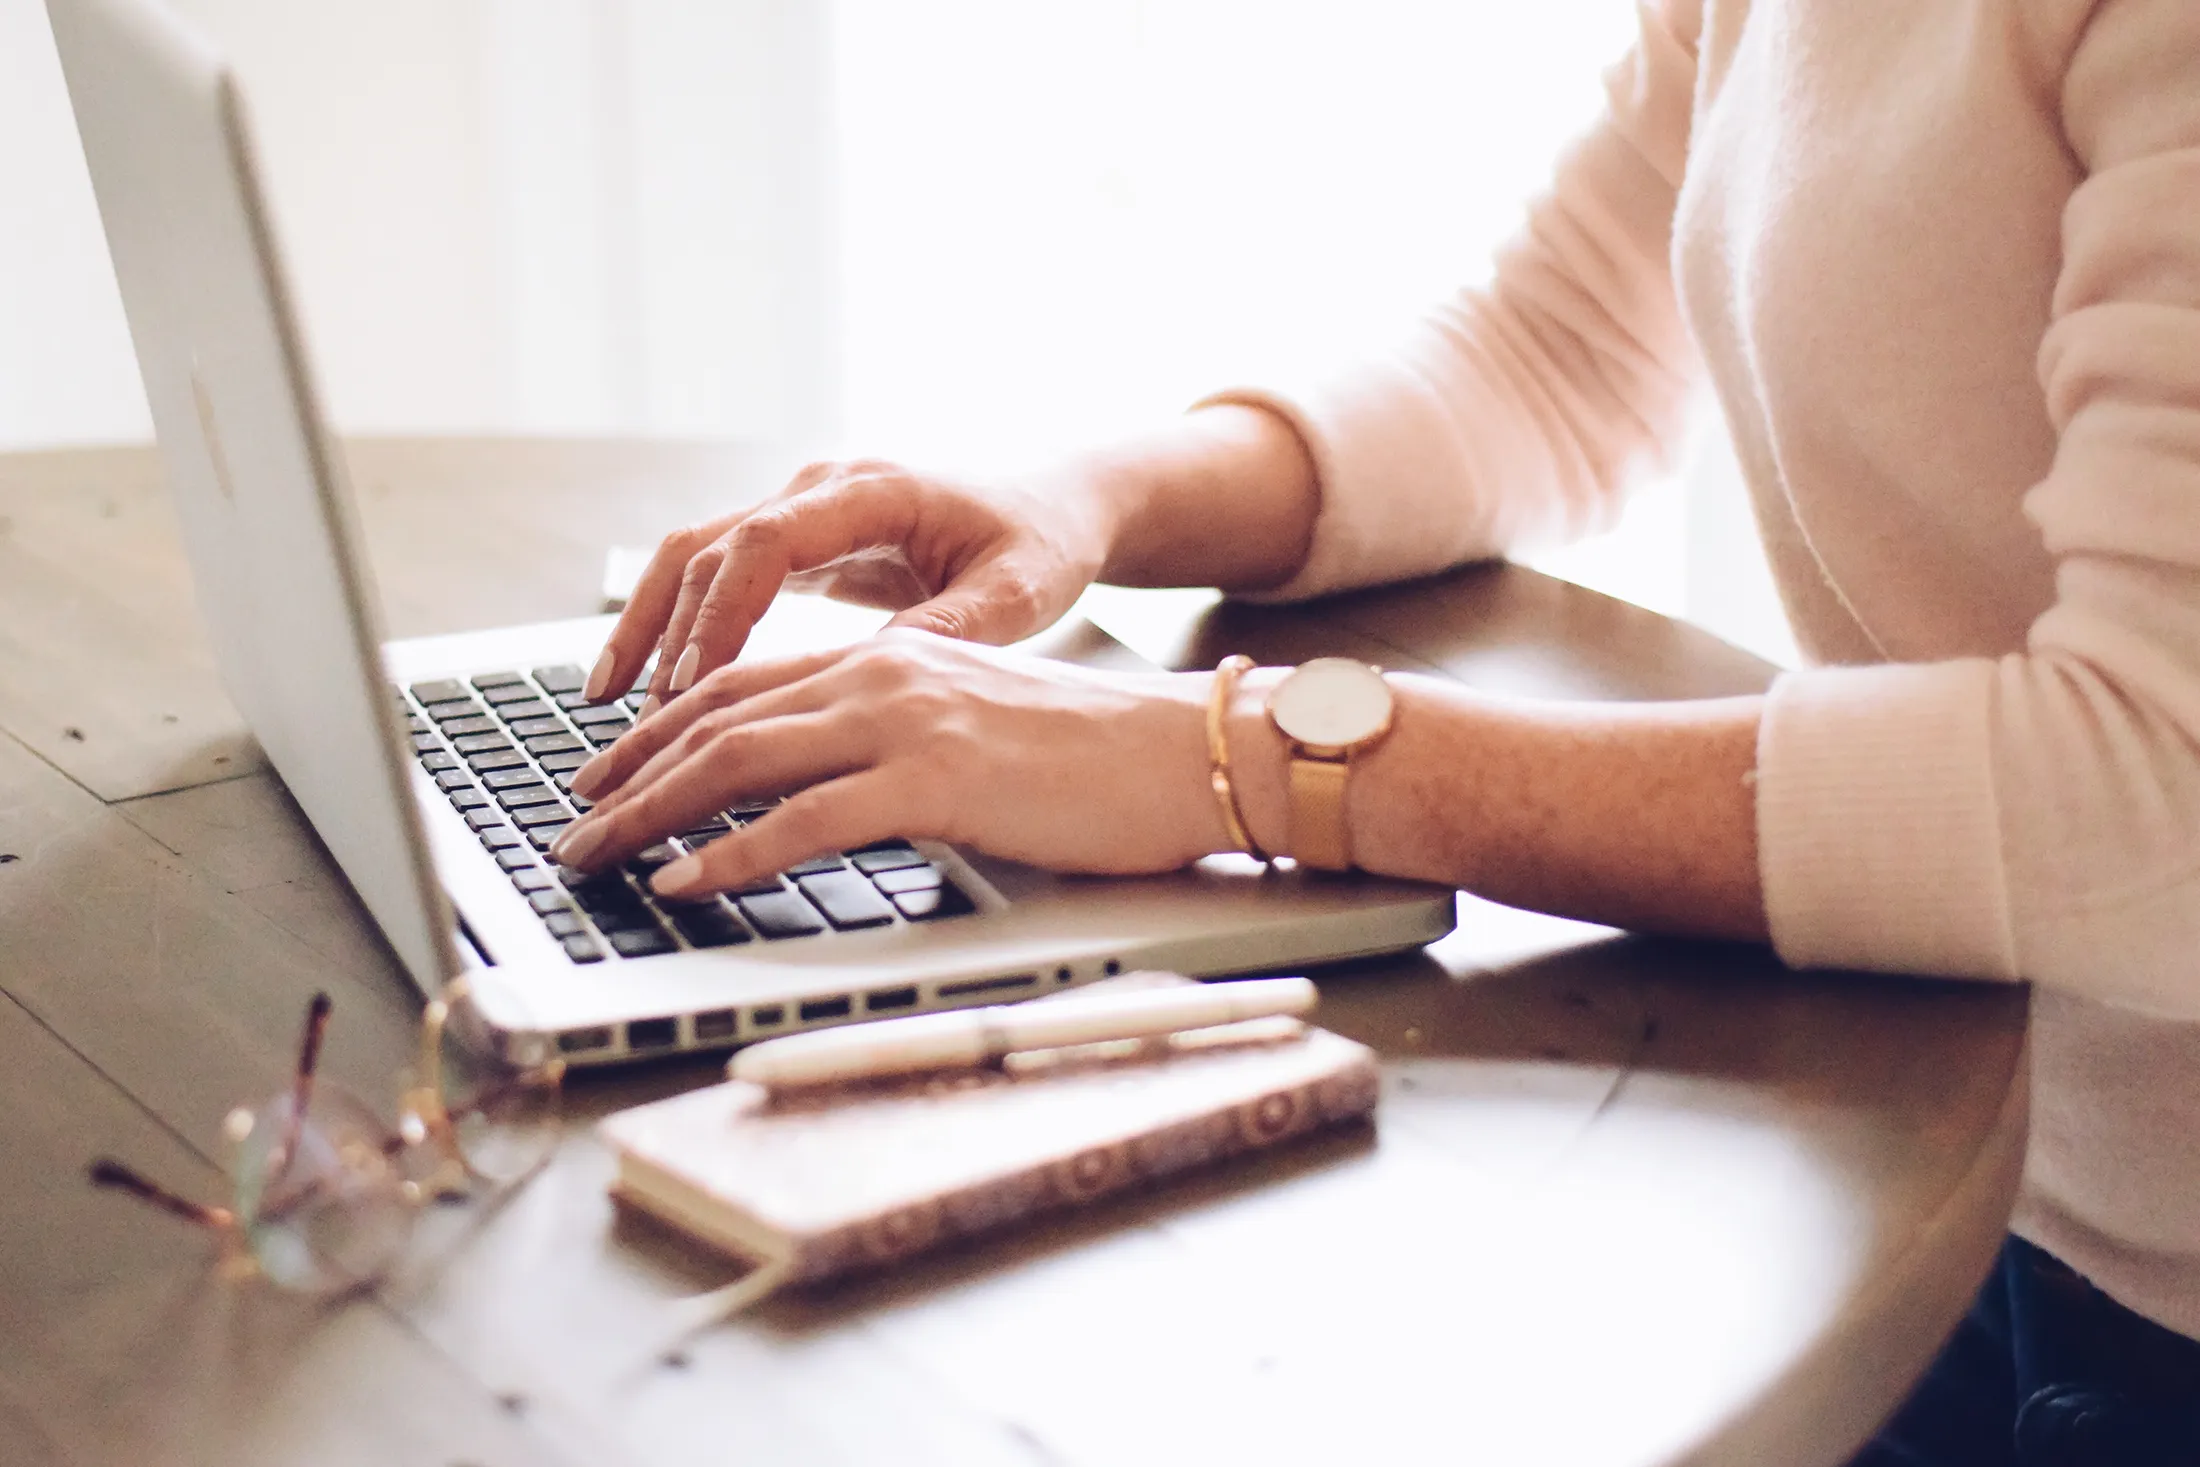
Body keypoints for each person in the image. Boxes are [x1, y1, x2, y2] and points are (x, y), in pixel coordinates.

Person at [547, 1, 2200, 1458]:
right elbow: (1554, 357)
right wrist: (1084, 496)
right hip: (1970, 1171)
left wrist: (1246, 754)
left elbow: (2156, 802)